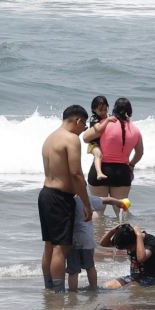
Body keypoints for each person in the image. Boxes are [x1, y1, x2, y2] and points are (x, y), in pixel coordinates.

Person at [39, 105, 95, 291]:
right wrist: (86, 204)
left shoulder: (50, 138)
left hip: (46, 194)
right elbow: (76, 174)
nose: (83, 130)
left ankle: (49, 287)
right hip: (60, 198)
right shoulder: (71, 139)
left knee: (49, 245)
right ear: (78, 121)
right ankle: (57, 292)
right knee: (60, 248)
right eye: (84, 125)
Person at [87, 98, 144, 201]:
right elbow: (140, 153)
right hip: (122, 172)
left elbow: (85, 138)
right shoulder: (135, 130)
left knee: (98, 209)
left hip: (100, 169)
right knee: (122, 208)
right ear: (130, 112)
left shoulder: (104, 124)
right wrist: (131, 164)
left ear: (114, 109)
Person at [101, 218, 155, 287]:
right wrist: (112, 231)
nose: (128, 250)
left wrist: (139, 235)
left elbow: (141, 258)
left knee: (131, 288)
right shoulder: (126, 239)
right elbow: (103, 244)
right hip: (135, 277)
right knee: (107, 286)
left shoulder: (151, 242)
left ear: (135, 240)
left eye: (128, 248)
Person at [83, 95, 110, 187]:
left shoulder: (108, 116)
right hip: (93, 144)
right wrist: (108, 120)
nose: (103, 112)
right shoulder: (93, 118)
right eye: (100, 110)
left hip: (103, 143)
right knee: (98, 154)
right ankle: (99, 173)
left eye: (105, 109)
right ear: (94, 110)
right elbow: (98, 129)